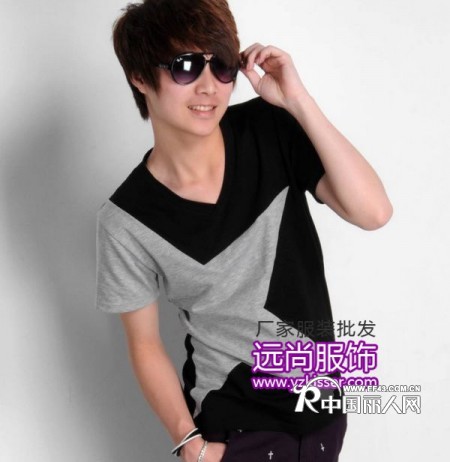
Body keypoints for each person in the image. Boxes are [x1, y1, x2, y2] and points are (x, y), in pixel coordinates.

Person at [95, 1, 393, 461]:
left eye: (222, 65)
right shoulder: (126, 220)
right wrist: (190, 445)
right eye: (185, 67)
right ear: (139, 77)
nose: (209, 86)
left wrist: (298, 101)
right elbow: (145, 344)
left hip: (322, 411)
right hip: (234, 428)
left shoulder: (270, 128)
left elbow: (373, 212)